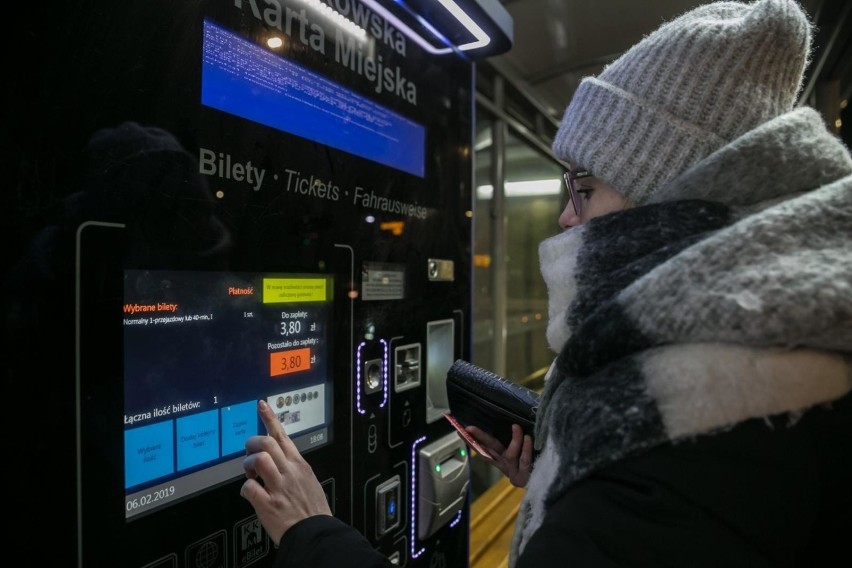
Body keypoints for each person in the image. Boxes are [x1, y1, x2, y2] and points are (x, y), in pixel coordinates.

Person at [240, 0, 852, 565]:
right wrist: (565, 463)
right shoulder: (777, 356)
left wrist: (310, 532)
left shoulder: (693, 439)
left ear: (667, 202)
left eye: (584, 190)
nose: (566, 217)